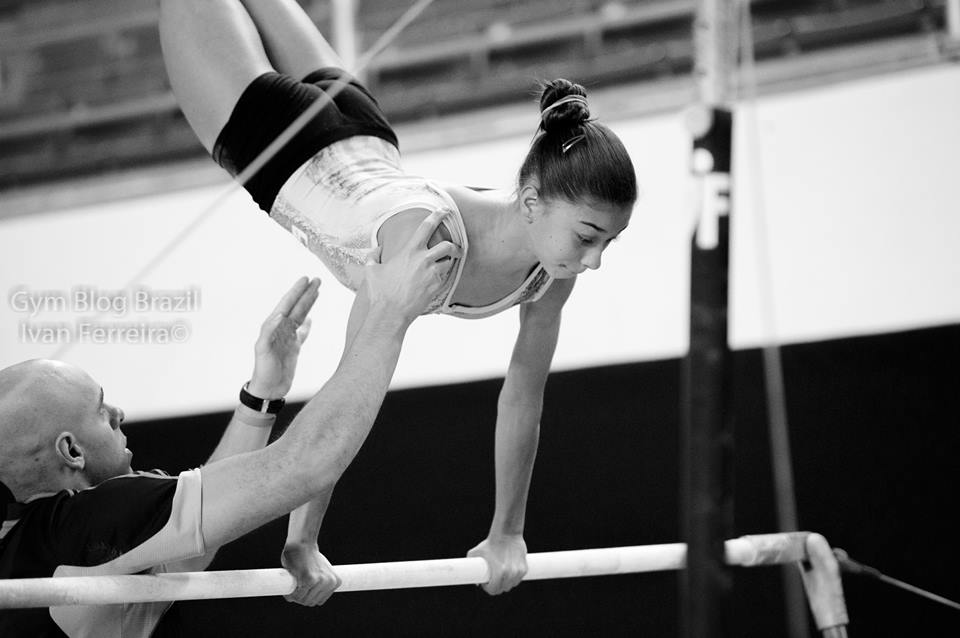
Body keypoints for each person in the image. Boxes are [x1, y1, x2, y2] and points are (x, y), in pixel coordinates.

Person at [158, 0, 638, 599]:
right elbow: (349, 386)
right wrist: (301, 541)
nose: (593, 260)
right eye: (588, 237)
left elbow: (523, 396)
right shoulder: (426, 244)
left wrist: (507, 532)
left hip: (363, 128)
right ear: (534, 201)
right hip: (276, 141)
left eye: (608, 242)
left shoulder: (551, 269)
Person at [0, 213, 459, 637]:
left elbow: (195, 542)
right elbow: (301, 467)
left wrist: (261, 395)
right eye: (101, 409)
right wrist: (391, 313)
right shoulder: (84, 523)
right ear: (71, 451)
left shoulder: (53, 542)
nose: (118, 413)